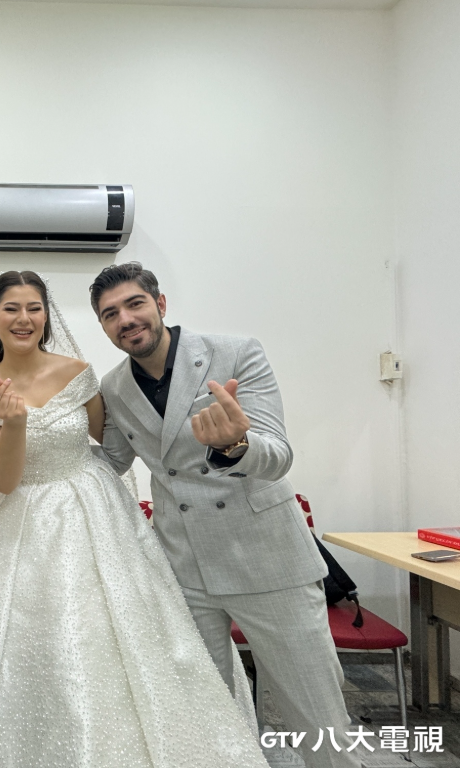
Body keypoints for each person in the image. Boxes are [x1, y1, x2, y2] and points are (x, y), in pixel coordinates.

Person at [0, 271, 268, 768]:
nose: (24, 318)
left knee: (119, 642)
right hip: (14, 520)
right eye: (11, 308)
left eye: (34, 307)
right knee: (20, 649)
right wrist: (14, 424)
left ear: (46, 315)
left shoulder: (79, 373)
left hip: (94, 514)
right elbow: (4, 480)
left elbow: (114, 442)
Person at [94, 262, 359, 768]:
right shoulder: (113, 387)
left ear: (160, 304)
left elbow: (278, 455)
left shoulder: (235, 352)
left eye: (135, 304)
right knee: (203, 710)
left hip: (267, 559)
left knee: (317, 713)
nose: (125, 319)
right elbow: (110, 462)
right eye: (110, 314)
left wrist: (236, 445)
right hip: (183, 568)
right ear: (104, 326)